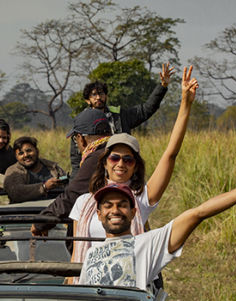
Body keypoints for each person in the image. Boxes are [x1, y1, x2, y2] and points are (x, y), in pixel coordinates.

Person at [78, 160, 236, 294]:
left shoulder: (148, 243)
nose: (115, 210)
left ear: (133, 213)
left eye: (122, 205)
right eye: (108, 205)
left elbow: (198, 213)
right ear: (99, 214)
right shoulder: (90, 255)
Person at [70, 66, 199, 266]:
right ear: (104, 162)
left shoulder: (140, 199)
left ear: (135, 165)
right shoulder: (84, 203)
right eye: (114, 158)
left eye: (128, 159)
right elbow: (76, 260)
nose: (121, 163)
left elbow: (170, 153)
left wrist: (183, 102)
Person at [69, 63, 175, 178]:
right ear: (87, 100)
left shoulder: (119, 116)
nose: (98, 97)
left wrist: (162, 86)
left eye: (101, 93)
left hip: (121, 171)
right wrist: (76, 182)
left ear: (106, 96)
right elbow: (76, 159)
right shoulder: (82, 122)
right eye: (94, 95)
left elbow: (146, 109)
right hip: (93, 174)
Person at [31, 109, 112, 237]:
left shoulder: (97, 157)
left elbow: (72, 196)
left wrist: (41, 222)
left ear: (81, 139)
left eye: (75, 139)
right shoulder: (115, 152)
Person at [4, 136, 67, 203]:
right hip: (26, 211)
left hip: (55, 209)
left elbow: (65, 178)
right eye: (21, 153)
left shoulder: (52, 167)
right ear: (16, 157)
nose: (26, 155)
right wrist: (44, 187)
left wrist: (62, 179)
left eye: (29, 151)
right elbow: (15, 192)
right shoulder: (13, 171)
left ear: (37, 151)